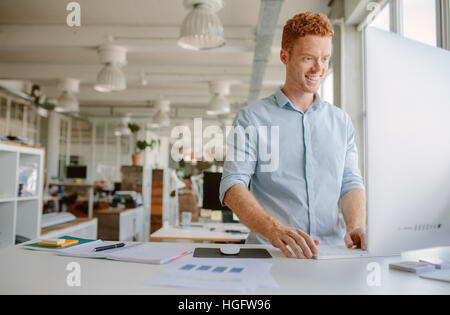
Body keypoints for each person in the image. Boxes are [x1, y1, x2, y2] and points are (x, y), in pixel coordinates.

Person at [219, 12, 367, 259]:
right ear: (284, 56)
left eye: (325, 59)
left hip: (331, 254)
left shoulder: (340, 122)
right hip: (272, 254)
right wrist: (275, 230)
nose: (318, 68)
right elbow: (233, 186)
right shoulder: (252, 119)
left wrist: (355, 226)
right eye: (308, 58)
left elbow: (350, 182)